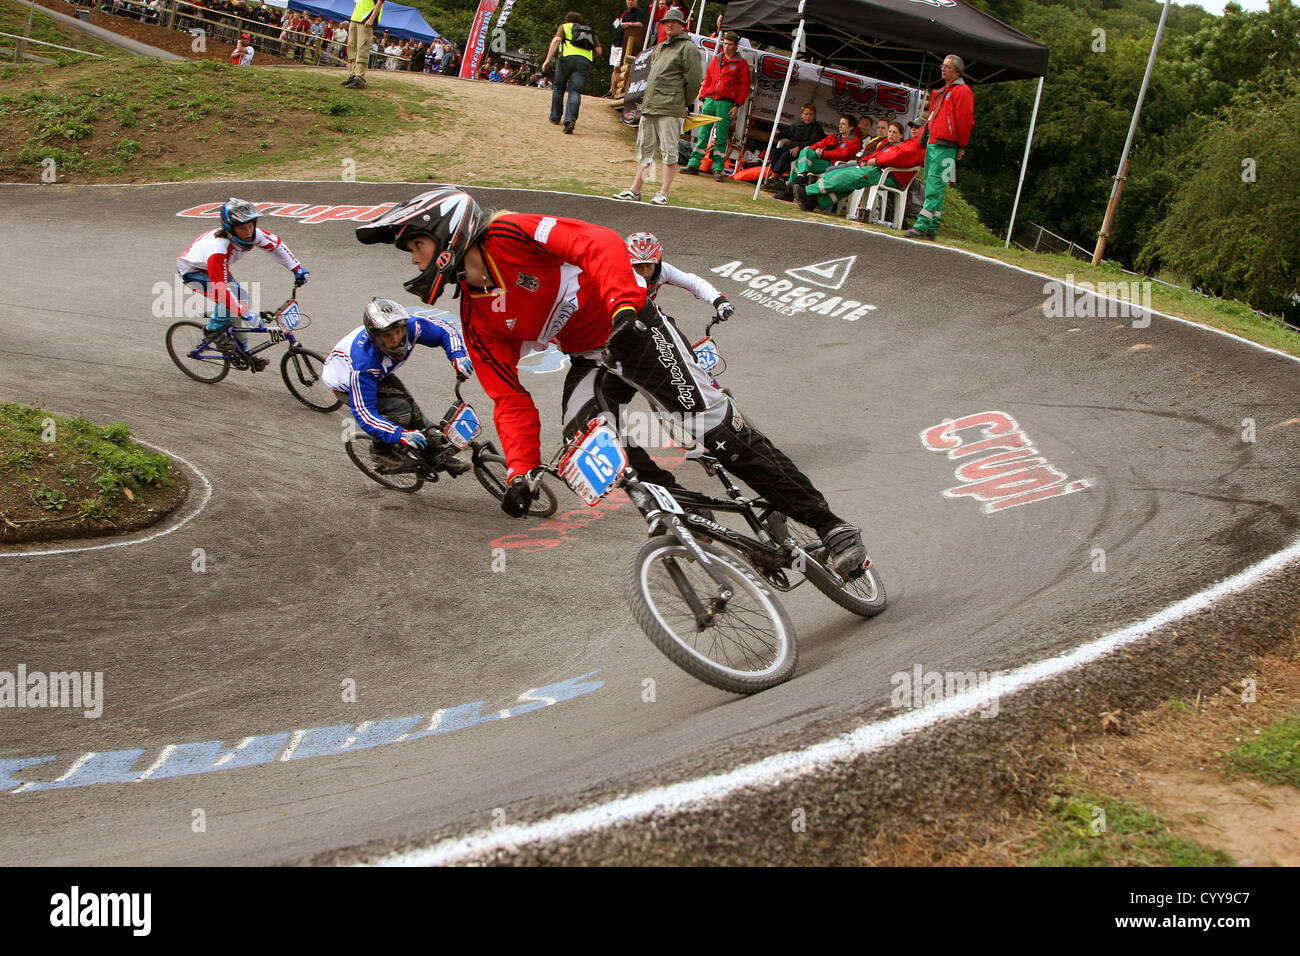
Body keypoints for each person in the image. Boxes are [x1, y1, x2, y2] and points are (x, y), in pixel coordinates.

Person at [355, 187, 869, 576]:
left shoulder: (509, 233)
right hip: (587, 357)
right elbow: (507, 396)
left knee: (715, 431)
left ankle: (830, 525)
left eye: (416, 246)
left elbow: (595, 242)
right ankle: (688, 518)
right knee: (583, 449)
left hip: (633, 327)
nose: (416, 261)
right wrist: (520, 472)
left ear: (446, 236)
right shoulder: (474, 315)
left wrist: (624, 301)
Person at [323, 298, 474, 474]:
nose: (396, 339)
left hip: (379, 373)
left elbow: (444, 330)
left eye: (397, 332)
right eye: (388, 335)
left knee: (414, 412)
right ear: (375, 337)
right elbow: (366, 415)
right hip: (346, 383)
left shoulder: (410, 326)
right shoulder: (363, 367)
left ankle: (435, 453)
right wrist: (400, 435)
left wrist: (458, 355)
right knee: (400, 411)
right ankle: (382, 452)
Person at [176, 198, 309, 373]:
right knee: (234, 300)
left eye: (250, 225)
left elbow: (276, 245)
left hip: (214, 268)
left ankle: (243, 351)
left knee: (239, 299)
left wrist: (296, 268)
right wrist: (247, 313)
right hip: (193, 271)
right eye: (242, 228)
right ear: (230, 229)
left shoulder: (254, 233)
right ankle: (213, 330)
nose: (248, 232)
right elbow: (221, 289)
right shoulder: (218, 249)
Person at [612, 7, 701, 207]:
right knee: (646, 150)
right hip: (651, 106)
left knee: (670, 151)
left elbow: (694, 82)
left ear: (682, 25)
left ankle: (663, 192)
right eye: (665, 22)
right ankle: (636, 189)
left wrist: (682, 102)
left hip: (671, 107)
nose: (668, 24)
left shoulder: (688, 48)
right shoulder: (661, 47)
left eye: (673, 22)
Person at [905, 54, 974, 241]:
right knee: (935, 184)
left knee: (935, 184)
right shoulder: (943, 91)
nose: (943, 69)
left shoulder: (962, 91)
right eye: (942, 66)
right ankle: (932, 226)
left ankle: (921, 225)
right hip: (935, 143)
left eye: (947, 66)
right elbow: (932, 117)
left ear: (957, 71)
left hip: (946, 146)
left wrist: (960, 145)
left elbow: (966, 121)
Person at [797, 121, 923, 215]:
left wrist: (875, 161)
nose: (914, 129)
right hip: (880, 170)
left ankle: (807, 191)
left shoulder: (918, 146)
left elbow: (896, 157)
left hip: (889, 175)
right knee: (843, 177)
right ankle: (814, 202)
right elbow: (884, 154)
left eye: (918, 128)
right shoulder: (911, 143)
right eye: (913, 127)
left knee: (847, 176)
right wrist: (867, 160)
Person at [682, 31, 750, 182]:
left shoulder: (741, 64)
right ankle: (693, 164)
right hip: (710, 99)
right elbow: (708, 79)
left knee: (721, 136)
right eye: (725, 44)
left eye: (730, 44)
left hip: (726, 103)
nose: (726, 47)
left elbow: (744, 86)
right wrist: (701, 98)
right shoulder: (717, 59)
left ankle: (718, 168)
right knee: (703, 133)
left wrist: (737, 105)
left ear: (736, 46)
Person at [626, 232, 733, 319]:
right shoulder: (620, 276)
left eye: (649, 265)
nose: (645, 271)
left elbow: (695, 284)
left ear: (657, 262)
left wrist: (718, 300)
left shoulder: (663, 270)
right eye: (638, 266)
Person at [772, 113, 860, 202]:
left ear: (851, 127)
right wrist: (815, 149)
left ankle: (791, 190)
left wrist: (824, 154)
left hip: (833, 166)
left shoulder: (855, 142)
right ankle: (800, 178)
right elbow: (818, 144)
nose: (840, 126)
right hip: (820, 162)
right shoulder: (833, 137)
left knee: (801, 160)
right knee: (805, 152)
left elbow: (843, 155)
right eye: (840, 123)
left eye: (843, 124)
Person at [543, 11, 602, 135]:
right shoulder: (589, 31)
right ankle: (570, 120)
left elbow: (556, 40)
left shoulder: (565, 27)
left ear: (567, 20)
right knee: (575, 91)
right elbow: (598, 51)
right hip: (584, 62)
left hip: (566, 59)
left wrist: (548, 59)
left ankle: (555, 117)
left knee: (559, 87)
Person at [762, 104, 824, 188]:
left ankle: (774, 177)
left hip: (805, 151)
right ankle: (779, 178)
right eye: (806, 114)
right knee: (774, 152)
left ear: (815, 115)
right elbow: (786, 134)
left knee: (786, 154)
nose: (808, 116)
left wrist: (799, 147)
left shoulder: (817, 128)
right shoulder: (796, 125)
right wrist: (778, 133)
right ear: (802, 115)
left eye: (811, 114)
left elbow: (813, 141)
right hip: (792, 148)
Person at [344, 0, 384, 89]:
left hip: (365, 19)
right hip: (355, 17)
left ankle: (360, 77)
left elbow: (380, 2)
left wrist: (371, 19)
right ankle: (352, 74)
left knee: (362, 47)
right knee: (351, 46)